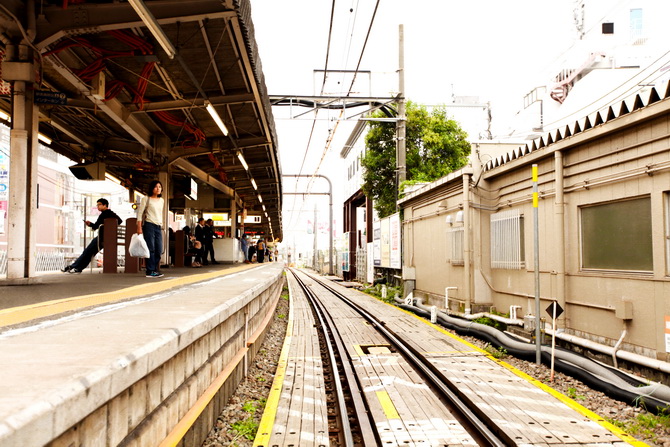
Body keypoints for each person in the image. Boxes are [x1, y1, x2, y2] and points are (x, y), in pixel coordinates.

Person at [62, 198, 122, 273]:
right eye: (97, 205)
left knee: (87, 252)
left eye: (99, 205)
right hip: (106, 237)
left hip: (101, 238)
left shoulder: (105, 214)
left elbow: (96, 226)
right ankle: (78, 268)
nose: (98, 206)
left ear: (105, 205)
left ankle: (73, 266)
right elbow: (119, 221)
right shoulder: (110, 214)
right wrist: (90, 224)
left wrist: (101, 225)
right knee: (90, 253)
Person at [136, 180, 165, 278]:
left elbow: (160, 214)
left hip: (158, 226)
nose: (158, 189)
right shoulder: (146, 199)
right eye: (156, 187)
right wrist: (139, 227)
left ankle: (154, 269)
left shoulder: (162, 200)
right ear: (152, 188)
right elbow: (140, 213)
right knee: (151, 248)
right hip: (149, 225)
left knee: (159, 249)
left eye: (160, 187)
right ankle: (150, 270)